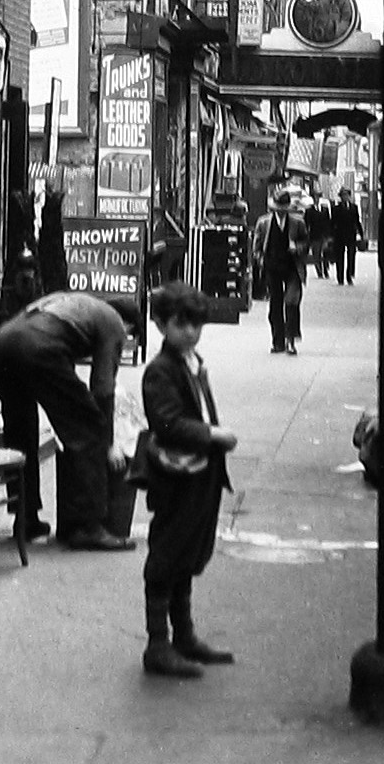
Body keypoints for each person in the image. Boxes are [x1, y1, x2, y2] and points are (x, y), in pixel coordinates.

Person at [0, 289, 136, 550]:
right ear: (129, 326)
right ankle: (87, 526)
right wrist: (107, 440)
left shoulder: (75, 303)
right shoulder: (113, 322)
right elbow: (102, 388)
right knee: (88, 427)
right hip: (36, 348)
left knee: (21, 434)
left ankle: (25, 519)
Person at [138, 280, 238, 678]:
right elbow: (166, 421)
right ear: (161, 325)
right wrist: (212, 435)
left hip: (200, 474)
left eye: (197, 325)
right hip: (176, 475)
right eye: (182, 325)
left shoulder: (192, 363)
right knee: (167, 555)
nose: (191, 333)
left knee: (188, 553)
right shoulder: (160, 371)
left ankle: (184, 635)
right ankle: (158, 644)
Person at [257, 186, 306, 354]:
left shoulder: (298, 223)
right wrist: (261, 259)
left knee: (291, 303)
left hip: (292, 267)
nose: (280, 212)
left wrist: (297, 247)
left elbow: (305, 243)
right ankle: (278, 341)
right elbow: (256, 247)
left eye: (283, 209)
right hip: (272, 267)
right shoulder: (263, 223)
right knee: (275, 305)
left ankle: (291, 340)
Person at [332, 191, 363, 285]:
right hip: (339, 235)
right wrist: (331, 235)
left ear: (349, 196)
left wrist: (361, 233)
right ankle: (340, 277)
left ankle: (349, 276)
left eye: (346, 195)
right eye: (343, 196)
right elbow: (332, 223)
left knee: (351, 256)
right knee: (339, 257)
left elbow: (357, 221)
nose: (345, 197)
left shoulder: (354, 207)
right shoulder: (336, 208)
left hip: (351, 235)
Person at [306, 195, 334, 280]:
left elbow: (328, 222)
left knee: (326, 253)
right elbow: (306, 223)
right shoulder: (309, 210)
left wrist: (329, 235)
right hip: (314, 235)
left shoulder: (324, 209)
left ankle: (325, 270)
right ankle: (319, 272)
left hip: (324, 235)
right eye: (315, 198)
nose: (317, 200)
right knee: (316, 255)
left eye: (318, 198)